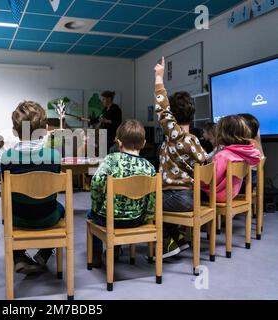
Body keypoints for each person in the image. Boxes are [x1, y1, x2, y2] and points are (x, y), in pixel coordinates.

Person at [1, 101, 64, 275]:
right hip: (47, 217)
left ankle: (19, 256)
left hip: (18, 219)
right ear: (44, 129)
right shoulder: (54, 156)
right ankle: (44, 253)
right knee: (61, 208)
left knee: (7, 211)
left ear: (15, 130)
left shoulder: (7, 157)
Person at [154, 57, 208, 258]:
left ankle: (167, 243)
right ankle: (179, 238)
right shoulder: (194, 140)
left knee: (148, 202)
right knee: (160, 197)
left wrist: (159, 77)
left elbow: (162, 109)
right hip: (193, 197)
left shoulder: (175, 135)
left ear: (173, 117)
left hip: (176, 197)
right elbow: (203, 161)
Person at [88, 120, 156, 267]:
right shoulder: (150, 167)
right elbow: (152, 199)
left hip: (110, 220)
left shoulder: (111, 160)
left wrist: (97, 206)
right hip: (136, 219)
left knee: (92, 215)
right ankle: (116, 250)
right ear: (143, 143)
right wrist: (147, 217)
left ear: (118, 143)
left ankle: (96, 256)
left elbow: (96, 183)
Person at [202, 115, 261, 202]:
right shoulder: (246, 153)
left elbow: (210, 180)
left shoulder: (223, 156)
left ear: (221, 134)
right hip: (232, 193)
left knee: (189, 192)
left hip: (217, 195)